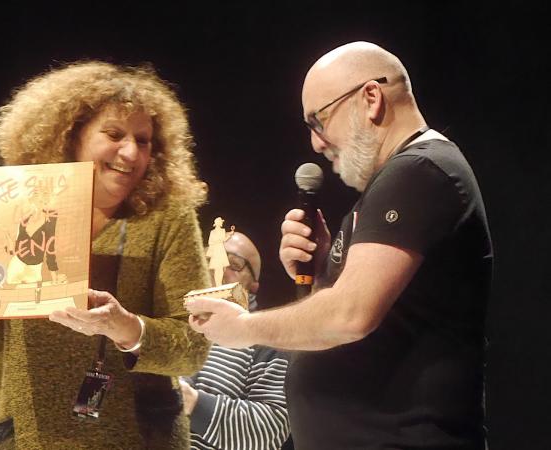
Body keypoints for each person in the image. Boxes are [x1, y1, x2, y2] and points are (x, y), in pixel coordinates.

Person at [186, 41, 492, 449]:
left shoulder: (420, 171)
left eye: (319, 120)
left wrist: (242, 329)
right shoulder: (401, 179)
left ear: (370, 98)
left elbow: (350, 316)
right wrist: (321, 269)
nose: (316, 142)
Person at [0, 61, 212, 449]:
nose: (131, 152)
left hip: (132, 436)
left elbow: (192, 347)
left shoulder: (166, 218)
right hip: (22, 436)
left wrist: (126, 328)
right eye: (114, 134)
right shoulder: (15, 204)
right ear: (71, 134)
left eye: (143, 140)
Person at [180, 231, 290, 450]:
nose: (217, 268)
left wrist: (191, 401)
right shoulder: (166, 319)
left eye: (233, 264)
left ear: (254, 285)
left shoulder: (268, 341)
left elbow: (271, 430)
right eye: (209, 259)